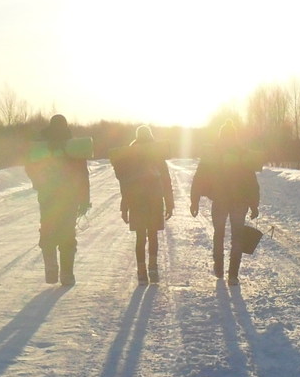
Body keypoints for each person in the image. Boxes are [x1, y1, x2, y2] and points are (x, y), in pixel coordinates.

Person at [189, 121, 261, 285]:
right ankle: (233, 275)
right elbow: (251, 181)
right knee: (237, 236)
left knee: (218, 233)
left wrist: (195, 201)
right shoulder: (242, 154)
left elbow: (199, 178)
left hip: (220, 200)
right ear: (235, 137)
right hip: (240, 202)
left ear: (220, 136)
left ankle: (219, 268)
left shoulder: (212, 154)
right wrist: (254, 204)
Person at [23, 114, 91, 285]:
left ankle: (51, 269)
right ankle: (67, 275)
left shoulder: (41, 146)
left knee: (47, 228)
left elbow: (29, 166)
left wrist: (38, 183)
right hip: (69, 196)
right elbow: (83, 174)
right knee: (67, 232)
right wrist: (84, 200)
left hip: (47, 196)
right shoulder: (73, 146)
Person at [109, 125, 174, 283]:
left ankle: (141, 272)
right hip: (154, 200)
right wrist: (169, 202)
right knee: (152, 235)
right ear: (150, 136)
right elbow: (166, 180)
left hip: (136, 200)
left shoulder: (129, 157)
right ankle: (153, 268)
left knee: (140, 237)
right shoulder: (157, 154)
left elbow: (125, 184)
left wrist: (124, 207)